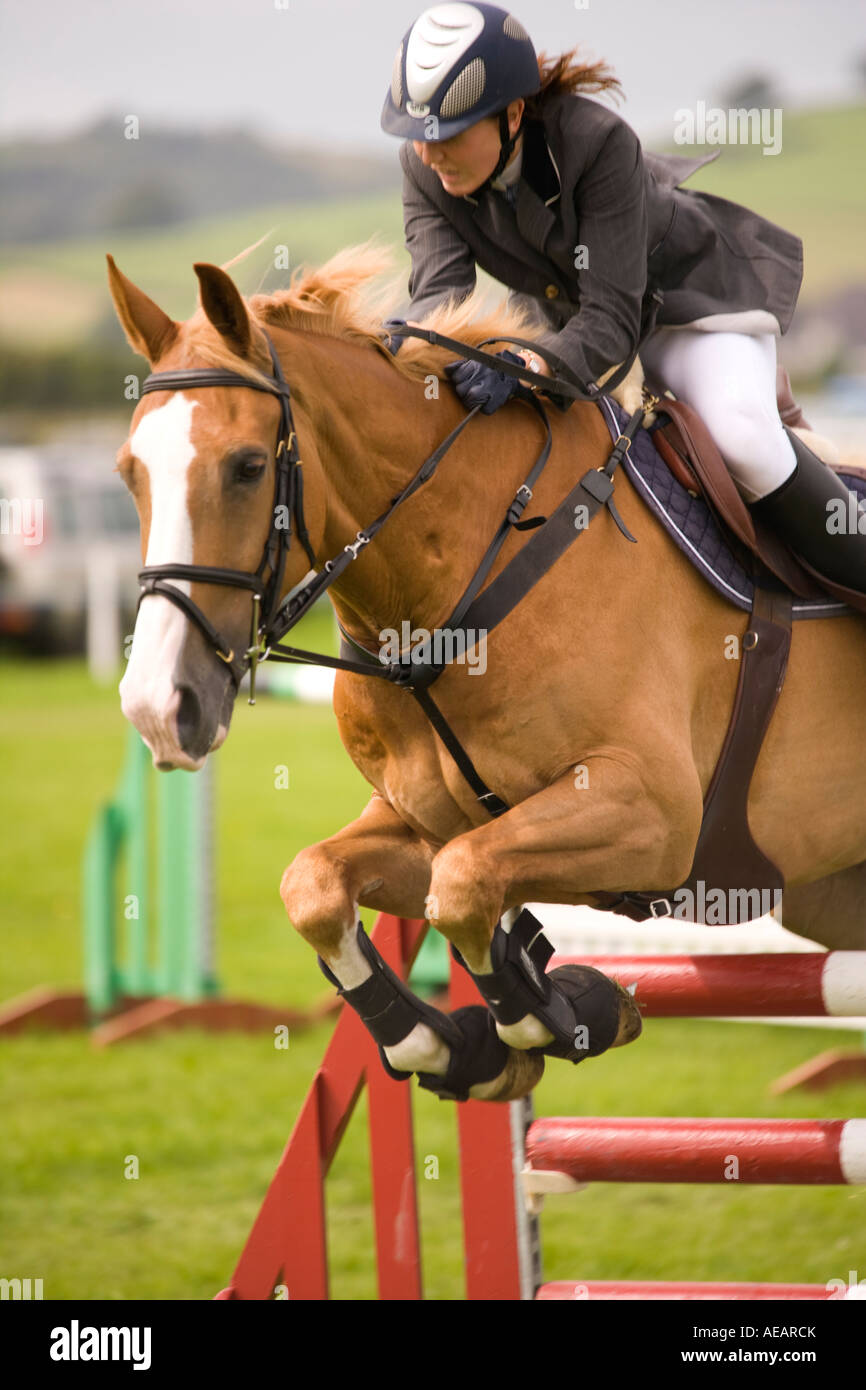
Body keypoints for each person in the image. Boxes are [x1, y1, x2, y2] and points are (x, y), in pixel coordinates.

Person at [380, 1, 866, 599]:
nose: (428, 154)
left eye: (448, 134)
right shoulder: (425, 171)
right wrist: (395, 350)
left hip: (686, 311)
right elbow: (439, 299)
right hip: (572, 326)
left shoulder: (595, 141)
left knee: (744, 438)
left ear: (513, 115)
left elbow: (612, 318)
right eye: (417, 136)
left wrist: (526, 362)